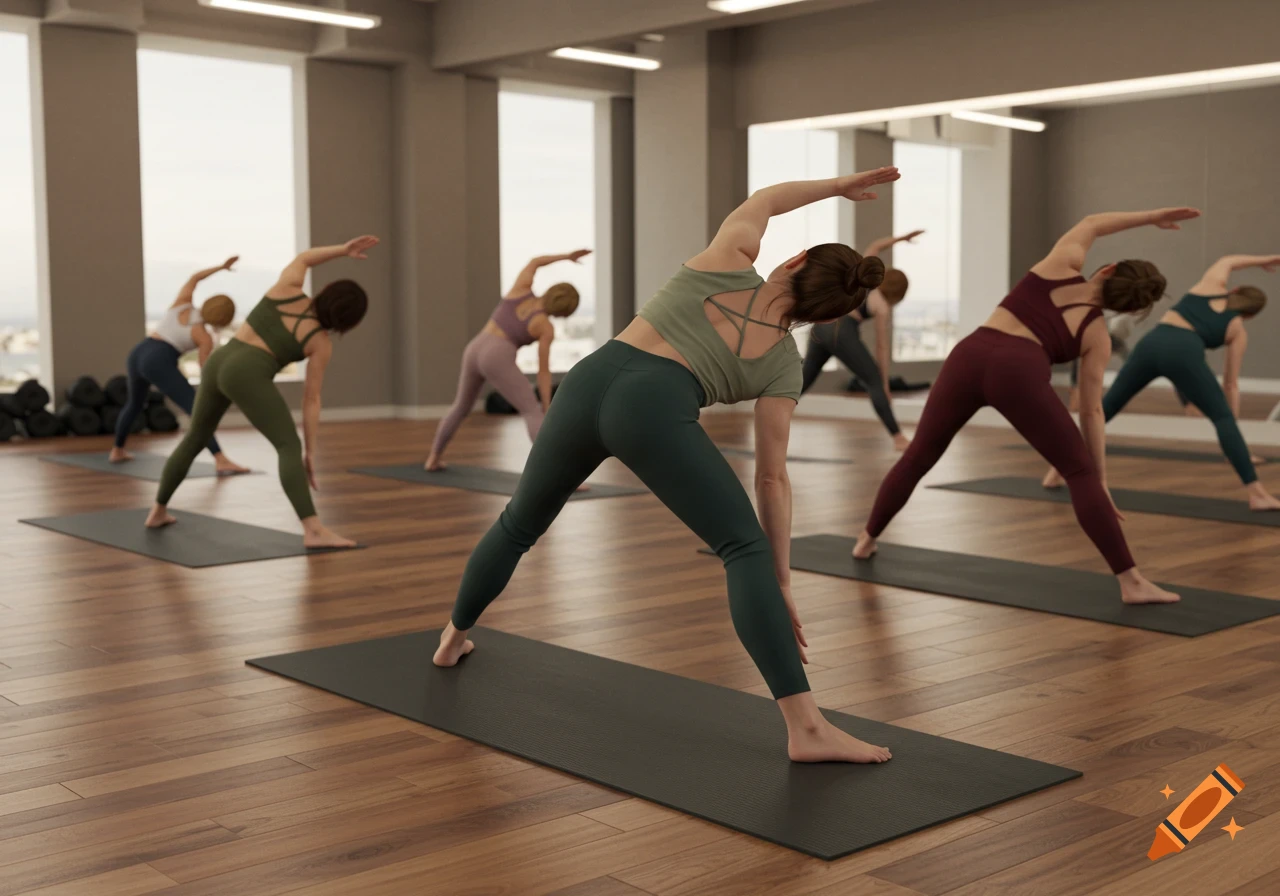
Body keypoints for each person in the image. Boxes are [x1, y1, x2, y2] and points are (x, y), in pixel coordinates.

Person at [433, 168, 903, 764]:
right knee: (743, 549)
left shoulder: (729, 257)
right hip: (652, 409)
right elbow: (770, 477)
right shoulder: (783, 363)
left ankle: (452, 638)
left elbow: (765, 198)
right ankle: (806, 729)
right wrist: (778, 579)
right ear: (823, 314)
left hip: (588, 382)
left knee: (518, 525)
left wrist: (838, 187)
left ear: (796, 259)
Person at [853, 207, 1205, 606]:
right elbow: (1091, 411)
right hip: (1018, 372)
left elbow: (1091, 224)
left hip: (968, 355)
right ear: (1125, 308)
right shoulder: (1096, 333)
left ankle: (866, 540)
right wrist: (1099, 479)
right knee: (1078, 471)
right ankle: (1132, 582)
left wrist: (1152, 217)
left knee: (919, 455)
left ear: (1106, 269)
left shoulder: (1060, 264)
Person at [146, 236, 378, 548]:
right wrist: (307, 450)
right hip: (247, 373)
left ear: (326, 293)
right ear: (348, 321)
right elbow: (312, 400)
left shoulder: (287, 290)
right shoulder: (319, 343)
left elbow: (305, 258)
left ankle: (158, 510)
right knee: (287, 446)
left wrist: (342, 250)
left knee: (195, 438)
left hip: (219, 362)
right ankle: (313, 530)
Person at [1044, 254, 1280, 509]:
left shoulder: (1209, 287)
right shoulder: (1237, 328)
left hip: (1151, 345)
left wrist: (1265, 260)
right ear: (1249, 316)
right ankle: (1257, 494)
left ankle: (1056, 470)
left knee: (1104, 409)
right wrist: (1230, 431)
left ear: (1233, 290)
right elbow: (1231, 384)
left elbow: (1228, 261)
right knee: (1221, 417)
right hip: (1185, 353)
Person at [424, 250, 591, 472]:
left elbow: (535, 261)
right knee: (532, 412)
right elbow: (543, 371)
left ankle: (433, 458)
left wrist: (567, 257)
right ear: (564, 312)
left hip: (474, 347)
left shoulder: (520, 290)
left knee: (460, 407)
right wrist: (546, 404)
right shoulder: (545, 327)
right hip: (497, 355)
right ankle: (557, 474)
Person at [109, 257, 249, 475]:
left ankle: (117, 450)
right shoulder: (204, 337)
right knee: (197, 410)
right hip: (159, 360)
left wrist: (221, 267)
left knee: (134, 404)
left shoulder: (182, 304)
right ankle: (220, 459)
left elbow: (195, 278)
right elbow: (206, 372)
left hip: (138, 352)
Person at [800, 230, 922, 450]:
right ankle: (898, 438)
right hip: (841, 331)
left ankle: (770, 409)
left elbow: (875, 245)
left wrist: (900, 240)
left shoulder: (865, 278)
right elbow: (881, 347)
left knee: (804, 379)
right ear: (899, 294)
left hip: (820, 326)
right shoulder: (882, 306)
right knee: (873, 380)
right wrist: (883, 382)